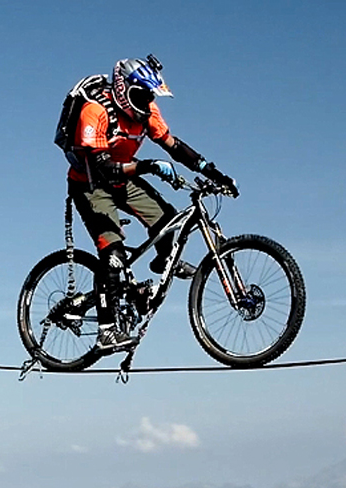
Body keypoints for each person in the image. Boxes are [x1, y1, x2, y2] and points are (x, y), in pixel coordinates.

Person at [64, 55, 237, 350]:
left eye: (149, 96)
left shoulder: (147, 112)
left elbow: (174, 146)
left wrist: (212, 171)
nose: (147, 102)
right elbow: (103, 168)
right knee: (113, 253)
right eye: (141, 95)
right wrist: (149, 166)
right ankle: (106, 331)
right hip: (90, 183)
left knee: (168, 221)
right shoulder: (95, 111)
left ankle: (163, 261)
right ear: (123, 89)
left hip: (124, 179)